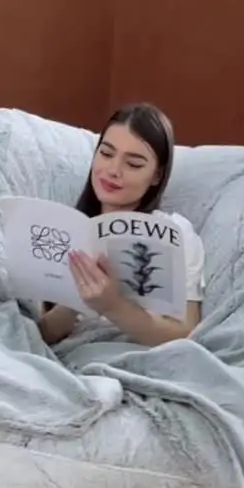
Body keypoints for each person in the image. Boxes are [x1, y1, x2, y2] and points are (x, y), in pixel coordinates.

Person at [38, 103, 205, 347]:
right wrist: (76, 299)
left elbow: (187, 335)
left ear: (157, 176)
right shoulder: (67, 229)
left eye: (133, 164)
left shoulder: (174, 233)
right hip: (74, 356)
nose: (113, 170)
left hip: (142, 356)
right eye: (106, 154)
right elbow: (44, 335)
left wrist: (114, 306)